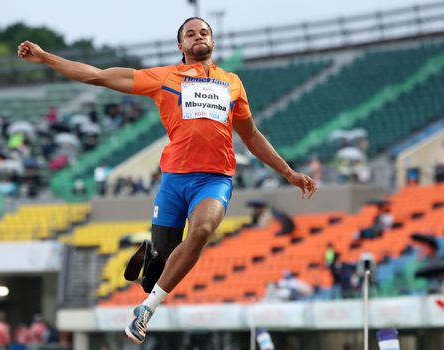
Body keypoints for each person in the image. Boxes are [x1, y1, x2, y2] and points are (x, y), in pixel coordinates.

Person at [18, 17, 317, 344]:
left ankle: (145, 309)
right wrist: (46, 58)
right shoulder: (164, 77)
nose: (198, 36)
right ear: (181, 46)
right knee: (157, 268)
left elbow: (251, 136)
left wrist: (288, 172)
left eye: (204, 32)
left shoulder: (233, 83)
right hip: (175, 180)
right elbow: (98, 76)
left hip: (214, 179)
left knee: (202, 230)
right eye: (190, 34)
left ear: (213, 43)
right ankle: (151, 263)